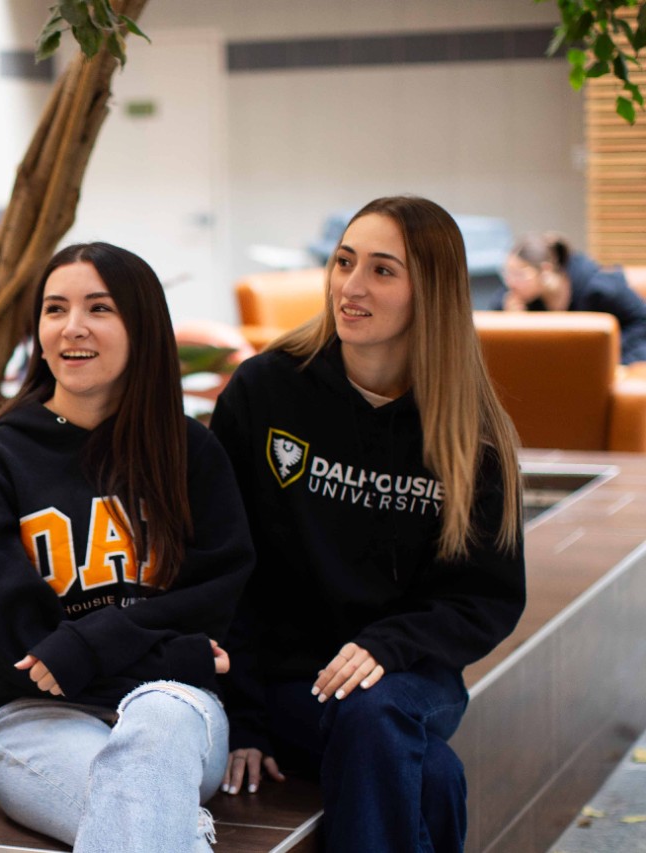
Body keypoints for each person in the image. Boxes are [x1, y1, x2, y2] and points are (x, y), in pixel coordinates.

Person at [211, 196, 526, 852]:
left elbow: (484, 597)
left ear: (431, 293)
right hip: (293, 681)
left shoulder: (472, 433)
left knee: (377, 709)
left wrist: (388, 644)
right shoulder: (266, 391)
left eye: (383, 270)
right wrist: (240, 718)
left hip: (410, 673)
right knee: (433, 774)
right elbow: (225, 565)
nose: (350, 287)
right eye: (344, 261)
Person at [0, 242, 256, 852]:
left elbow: (217, 596)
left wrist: (93, 643)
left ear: (141, 326)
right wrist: (181, 654)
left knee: (159, 730)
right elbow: (19, 644)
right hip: (34, 719)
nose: (73, 328)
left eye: (99, 308)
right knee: (153, 822)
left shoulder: (189, 451)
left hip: (173, 707)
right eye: (54, 309)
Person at [495, 231, 646, 364]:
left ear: (545, 270)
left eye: (519, 274)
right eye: (507, 273)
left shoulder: (599, 287)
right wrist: (513, 323)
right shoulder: (512, 297)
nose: (510, 282)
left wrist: (607, 353)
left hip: (614, 363)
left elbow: (641, 320)